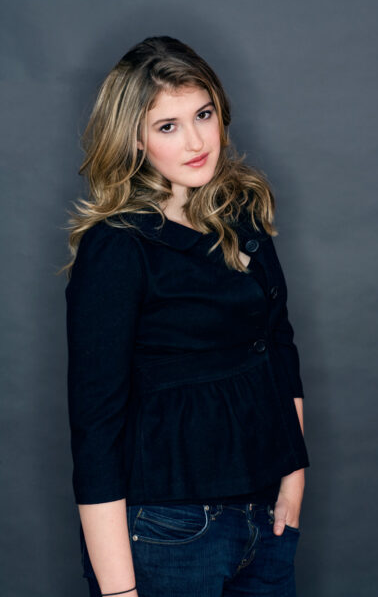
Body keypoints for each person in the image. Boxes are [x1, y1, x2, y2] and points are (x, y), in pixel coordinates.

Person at [62, 35, 310, 597]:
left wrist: (293, 480)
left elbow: (278, 347)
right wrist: (119, 591)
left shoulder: (240, 213)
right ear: (135, 139)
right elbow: (95, 425)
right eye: (168, 126)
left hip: (264, 522)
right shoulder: (117, 247)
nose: (196, 141)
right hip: (167, 530)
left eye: (203, 114)